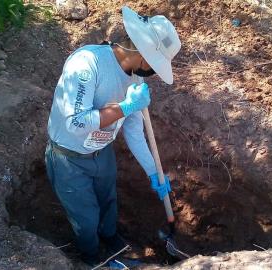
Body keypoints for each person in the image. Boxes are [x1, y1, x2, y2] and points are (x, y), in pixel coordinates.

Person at [44, 6, 181, 266]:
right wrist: (125, 107)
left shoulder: (136, 81)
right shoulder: (87, 64)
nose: (153, 71)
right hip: (69, 158)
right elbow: (75, 122)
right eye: (154, 64)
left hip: (101, 152)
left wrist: (154, 172)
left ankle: (111, 240)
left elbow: (134, 132)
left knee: (108, 205)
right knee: (86, 219)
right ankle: (92, 258)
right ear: (143, 53)